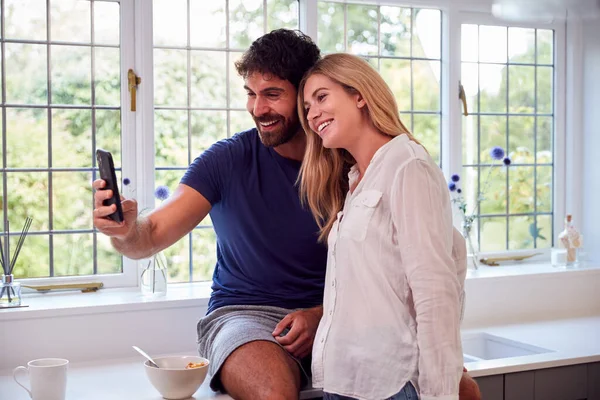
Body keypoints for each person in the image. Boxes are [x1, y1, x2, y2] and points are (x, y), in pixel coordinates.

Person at [93, 30, 481, 400]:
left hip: (342, 315)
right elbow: (151, 234)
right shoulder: (227, 160)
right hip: (247, 316)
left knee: (463, 391)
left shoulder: (352, 163)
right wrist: (125, 229)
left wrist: (320, 315)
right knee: (274, 392)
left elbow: (426, 261)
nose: (257, 109)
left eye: (273, 94)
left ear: (304, 95)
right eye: (251, 94)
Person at [298, 53, 469, 400]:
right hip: (345, 381)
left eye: (321, 97)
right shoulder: (356, 180)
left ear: (359, 95)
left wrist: (440, 394)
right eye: (306, 107)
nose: (312, 114)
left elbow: (434, 291)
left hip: (390, 384)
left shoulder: (407, 166)